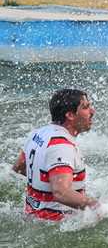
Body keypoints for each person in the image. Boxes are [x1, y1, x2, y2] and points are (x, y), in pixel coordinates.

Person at [12, 89, 100, 221]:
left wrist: (45, 184)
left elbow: (19, 167)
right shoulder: (61, 146)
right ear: (70, 115)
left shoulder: (39, 133)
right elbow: (61, 193)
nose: (92, 112)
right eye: (86, 107)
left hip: (32, 217)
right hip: (56, 225)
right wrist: (97, 206)